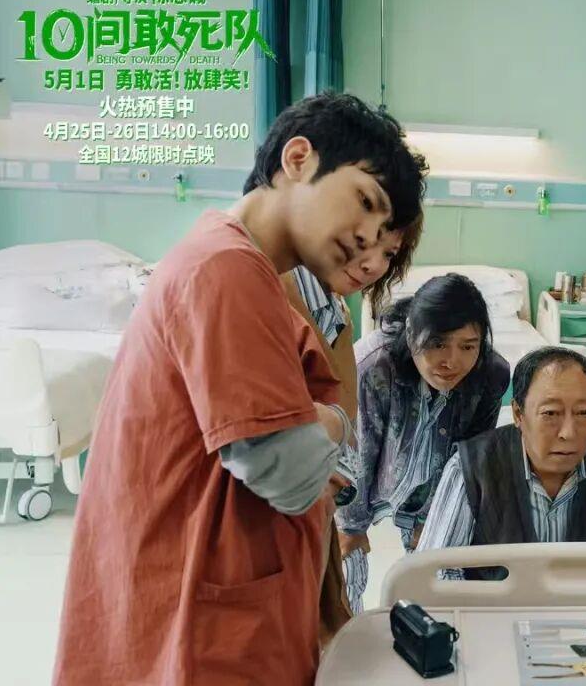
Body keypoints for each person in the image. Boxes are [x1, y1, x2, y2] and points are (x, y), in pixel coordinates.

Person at [52, 92, 427, 685]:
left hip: (238, 600)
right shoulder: (225, 268)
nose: (370, 249)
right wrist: (331, 420)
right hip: (201, 624)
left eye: (386, 239)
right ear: (297, 159)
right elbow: (290, 471)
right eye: (365, 202)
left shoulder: (252, 274)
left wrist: (314, 427)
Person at [282, 212, 424, 640]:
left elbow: (345, 420)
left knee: (322, 620)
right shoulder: (274, 292)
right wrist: (351, 521)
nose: (374, 264)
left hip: (316, 495)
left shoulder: (334, 310)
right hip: (283, 499)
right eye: (363, 242)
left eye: (389, 254)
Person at [336, 273, 509, 610]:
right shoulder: (373, 367)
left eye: (468, 346)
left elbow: (468, 457)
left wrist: (429, 518)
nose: (452, 361)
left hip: (433, 479)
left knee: (435, 575)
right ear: (411, 333)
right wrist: (352, 526)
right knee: (345, 570)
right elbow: (357, 452)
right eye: (437, 344)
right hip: (371, 472)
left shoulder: (491, 374)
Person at [417, 347, 586, 578]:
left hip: (584, 601)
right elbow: (435, 574)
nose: (568, 433)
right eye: (550, 413)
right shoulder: (472, 468)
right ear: (519, 414)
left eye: (584, 413)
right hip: (492, 602)